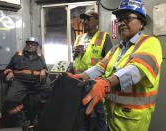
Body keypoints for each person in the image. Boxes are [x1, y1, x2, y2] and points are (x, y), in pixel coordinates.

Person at [69, 0, 163, 131]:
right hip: (110, 118)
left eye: (128, 19)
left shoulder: (150, 43)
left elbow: (135, 70)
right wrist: (79, 77)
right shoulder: (116, 49)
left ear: (141, 23)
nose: (122, 23)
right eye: (119, 19)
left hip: (131, 122)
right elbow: (99, 67)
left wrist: (105, 83)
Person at [71, 10, 113, 131]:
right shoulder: (79, 38)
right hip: (79, 81)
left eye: (88, 19)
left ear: (96, 21)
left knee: (100, 114)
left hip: (95, 83)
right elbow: (75, 59)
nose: (85, 22)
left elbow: (109, 61)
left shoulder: (104, 37)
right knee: (81, 113)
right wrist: (75, 54)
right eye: (83, 19)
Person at [3, 37, 49, 128]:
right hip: (21, 82)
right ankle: (23, 119)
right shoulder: (18, 55)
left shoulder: (40, 56)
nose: (30, 45)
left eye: (33, 44)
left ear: (37, 46)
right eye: (28, 43)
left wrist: (44, 70)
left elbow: (46, 69)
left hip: (37, 82)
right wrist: (10, 72)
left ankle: (39, 117)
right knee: (9, 99)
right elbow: (8, 68)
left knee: (49, 92)